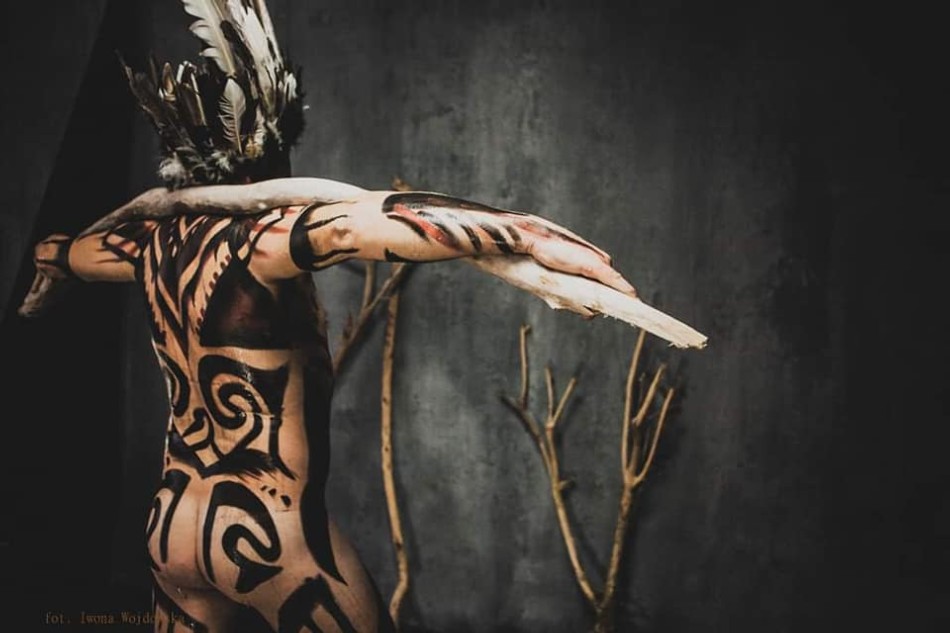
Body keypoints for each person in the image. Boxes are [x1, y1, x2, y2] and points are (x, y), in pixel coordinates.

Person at [23, 2, 637, 631]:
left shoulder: (147, 247)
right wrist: (528, 234)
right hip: (268, 531)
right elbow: (360, 224)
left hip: (172, 522)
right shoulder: (260, 242)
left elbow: (61, 253)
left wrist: (53, 261)